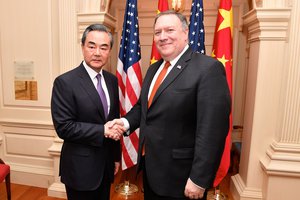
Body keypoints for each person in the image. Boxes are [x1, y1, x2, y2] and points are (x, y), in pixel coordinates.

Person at [108, 10, 231, 200]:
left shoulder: (208, 69)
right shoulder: (154, 69)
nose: (163, 37)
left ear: (185, 33)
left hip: (182, 178)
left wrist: (199, 179)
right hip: (151, 171)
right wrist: (123, 123)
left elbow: (212, 131)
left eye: (169, 30)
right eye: (158, 32)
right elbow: (143, 108)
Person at [51, 24, 124, 200]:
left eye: (104, 47)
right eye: (92, 46)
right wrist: (102, 131)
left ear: (109, 51)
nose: (97, 52)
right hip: (80, 169)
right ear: (83, 47)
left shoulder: (112, 81)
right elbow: (64, 127)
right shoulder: (65, 82)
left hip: (105, 166)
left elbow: (113, 119)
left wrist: (115, 157)